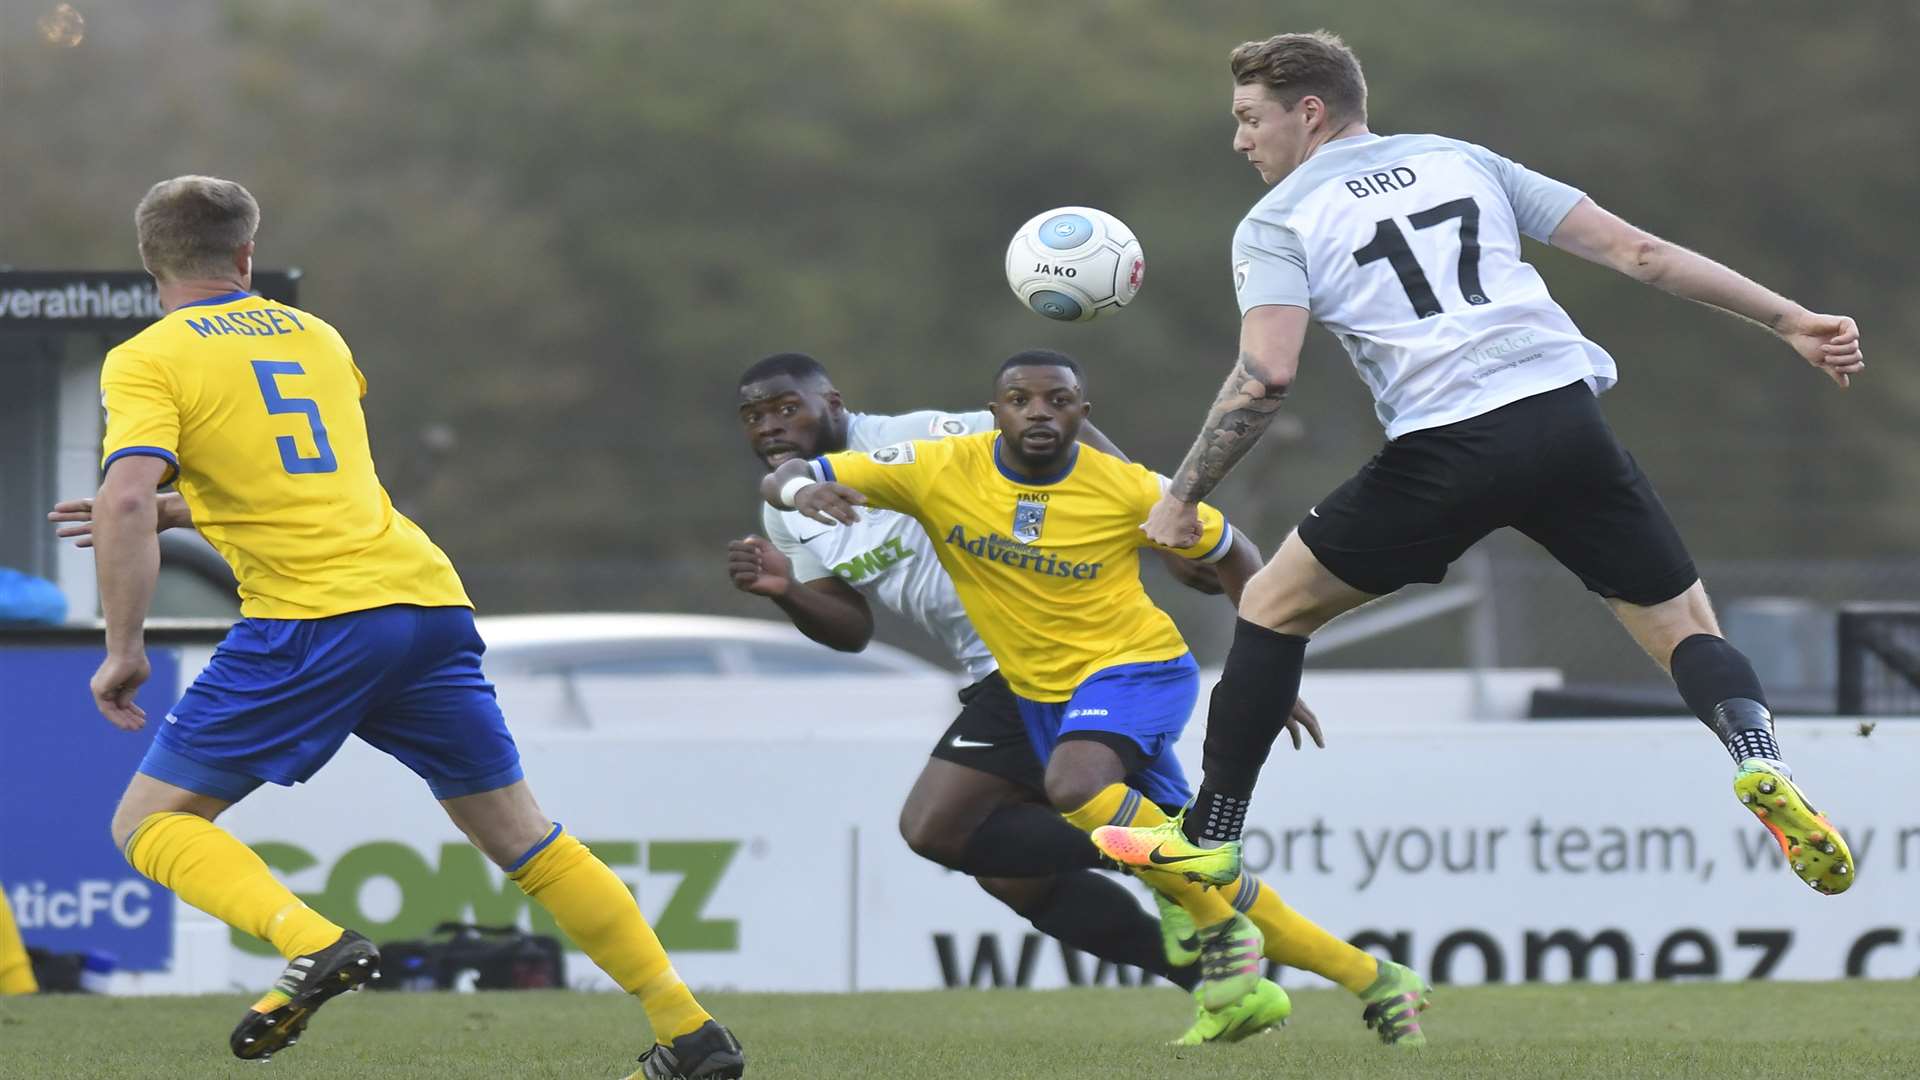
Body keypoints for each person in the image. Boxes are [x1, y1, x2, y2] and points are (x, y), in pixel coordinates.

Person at [1093, 30, 1867, 949]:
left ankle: (1209, 840)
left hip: (1448, 444)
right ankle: (1755, 757)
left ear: (1309, 112)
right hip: (1564, 417)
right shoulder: (1459, 159)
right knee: (1686, 629)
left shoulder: (1277, 223)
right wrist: (1790, 320)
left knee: (1270, 605)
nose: (1240, 140)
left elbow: (1266, 375)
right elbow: (1640, 254)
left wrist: (1182, 497)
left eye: (1249, 119)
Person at [64, 175, 742, 1079]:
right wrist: (183, 514)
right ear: (246, 255)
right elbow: (293, 478)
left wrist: (123, 647)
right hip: (424, 601)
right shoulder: (319, 338)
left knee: (149, 824)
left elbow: (123, 498)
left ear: (151, 262)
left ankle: (311, 942)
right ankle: (687, 1030)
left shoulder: (147, 356)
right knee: (524, 837)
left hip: (316, 616)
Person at [760, 348, 1429, 1045]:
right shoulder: (935, 469)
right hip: (1036, 687)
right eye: (1021, 400)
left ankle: (1201, 917)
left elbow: (1234, 551)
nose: (1038, 412)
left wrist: (1268, 668)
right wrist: (800, 493)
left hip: (1126, 671)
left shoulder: (1118, 485)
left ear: (1083, 414)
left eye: (1057, 401)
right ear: (997, 414)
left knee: (1033, 806)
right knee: (1155, 865)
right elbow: (792, 482)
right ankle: (1373, 980)